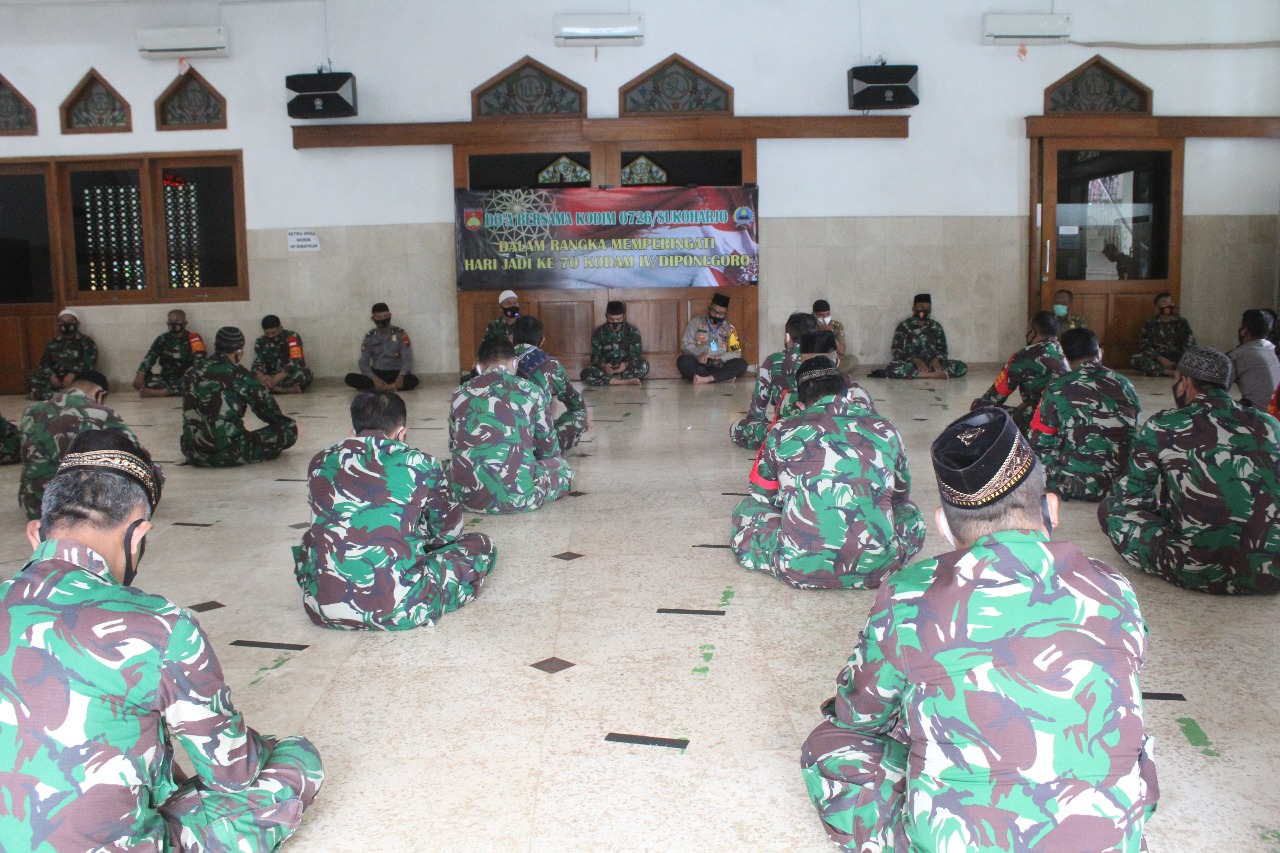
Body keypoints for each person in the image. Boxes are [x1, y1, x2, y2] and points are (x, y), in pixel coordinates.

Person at [802, 408, 1158, 851]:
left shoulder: (910, 593)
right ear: (1051, 509)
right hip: (1106, 840)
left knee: (829, 745)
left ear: (943, 526)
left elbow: (859, 715)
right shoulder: (1114, 586)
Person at [0, 429, 323, 851]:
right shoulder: (160, 625)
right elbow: (232, 773)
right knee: (298, 758)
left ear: (36, 534)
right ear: (137, 535)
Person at [294, 391, 497, 630]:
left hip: (322, 610)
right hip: (402, 609)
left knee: (310, 540)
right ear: (402, 433)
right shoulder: (420, 463)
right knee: (481, 545)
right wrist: (418, 539)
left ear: (352, 433)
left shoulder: (320, 461)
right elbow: (448, 532)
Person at [1100, 346, 1280, 595]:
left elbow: (1131, 497)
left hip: (1194, 569)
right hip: (1270, 573)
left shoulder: (1164, 425)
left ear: (1185, 382)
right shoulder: (1270, 425)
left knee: (1110, 510)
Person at [731, 359, 923, 589]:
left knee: (746, 509)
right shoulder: (887, 428)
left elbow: (762, 494)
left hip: (797, 568)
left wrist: (799, 500)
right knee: (911, 513)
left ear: (800, 405)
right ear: (849, 396)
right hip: (880, 567)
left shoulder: (783, 430)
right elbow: (900, 495)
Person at [450, 337, 573, 513]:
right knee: (562, 469)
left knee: (447, 466)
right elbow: (549, 450)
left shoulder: (459, 393)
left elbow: (453, 444)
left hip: (465, 498)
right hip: (519, 498)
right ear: (515, 363)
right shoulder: (532, 391)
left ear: (478, 367)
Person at [1030, 327, 1140, 502]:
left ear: (1065, 358)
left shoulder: (1057, 387)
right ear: (1100, 352)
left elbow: (1039, 440)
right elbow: (1133, 428)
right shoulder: (1125, 383)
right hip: (1123, 484)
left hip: (1075, 483)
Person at [18, 370, 144, 520]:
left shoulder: (31, 411)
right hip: (78, 510)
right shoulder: (102, 413)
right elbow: (139, 457)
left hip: (35, 506)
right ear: (100, 394)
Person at [181, 326, 299, 467]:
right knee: (289, 428)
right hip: (230, 454)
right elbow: (270, 412)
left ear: (216, 346)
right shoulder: (240, 374)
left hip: (192, 453)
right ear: (238, 352)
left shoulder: (191, 372)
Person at [971, 310, 1069, 434]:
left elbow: (995, 396)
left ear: (1033, 332)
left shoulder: (1025, 355)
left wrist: (1025, 407)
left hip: (1041, 421)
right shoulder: (1068, 352)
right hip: (1068, 420)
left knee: (979, 406)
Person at [731, 312, 815, 449]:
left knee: (736, 428)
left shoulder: (773, 360)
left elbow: (757, 412)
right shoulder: (827, 360)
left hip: (786, 432)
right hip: (821, 430)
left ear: (787, 337)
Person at [512, 315, 590, 452]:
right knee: (580, 414)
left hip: (499, 442)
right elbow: (575, 402)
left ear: (512, 338)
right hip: (536, 445)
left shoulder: (498, 360)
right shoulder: (550, 364)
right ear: (542, 340)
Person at [877, 294, 967, 379]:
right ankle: (932, 375)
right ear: (914, 309)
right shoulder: (904, 326)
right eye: (921, 307)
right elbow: (897, 351)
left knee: (961, 367)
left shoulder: (936, 326)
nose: (925, 310)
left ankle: (925, 373)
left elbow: (943, 350)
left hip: (932, 365)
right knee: (892, 367)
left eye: (928, 308)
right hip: (911, 365)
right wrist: (915, 360)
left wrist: (936, 359)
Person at [25, 309, 98, 400]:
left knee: (92, 382)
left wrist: (73, 373)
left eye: (70, 321)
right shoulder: (53, 343)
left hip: (78, 377)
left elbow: (90, 363)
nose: (66, 324)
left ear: (77, 323)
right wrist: (52, 376)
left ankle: (49, 395)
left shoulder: (86, 342)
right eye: (62, 322)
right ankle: (63, 394)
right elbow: (44, 364)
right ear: (58, 324)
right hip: (58, 379)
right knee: (31, 377)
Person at [345, 301, 419, 391]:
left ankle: (379, 388)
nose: (383, 319)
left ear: (390, 315)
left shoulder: (400, 333)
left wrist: (401, 375)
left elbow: (407, 358)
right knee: (350, 378)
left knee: (413, 380)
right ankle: (391, 387)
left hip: (396, 373)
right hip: (377, 373)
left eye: (385, 316)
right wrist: (374, 377)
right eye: (379, 317)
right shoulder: (369, 337)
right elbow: (363, 362)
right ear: (373, 318)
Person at [677, 292, 748, 384]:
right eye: (714, 311)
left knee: (741, 364)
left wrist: (720, 358)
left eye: (720, 313)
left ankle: (705, 379)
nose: (716, 315)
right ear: (709, 309)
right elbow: (685, 344)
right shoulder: (696, 322)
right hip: (700, 363)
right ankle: (720, 378)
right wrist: (700, 354)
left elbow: (736, 352)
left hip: (719, 364)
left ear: (725, 313)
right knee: (682, 361)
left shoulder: (729, 328)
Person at [133, 309, 206, 397]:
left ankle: (163, 392)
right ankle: (174, 390)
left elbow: (200, 363)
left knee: (199, 380)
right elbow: (150, 357)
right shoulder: (162, 339)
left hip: (186, 376)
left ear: (185, 323)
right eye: (170, 321)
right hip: (167, 378)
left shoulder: (194, 338)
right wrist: (140, 374)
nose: (173, 324)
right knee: (145, 379)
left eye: (177, 321)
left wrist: (189, 375)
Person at [581, 300, 649, 386]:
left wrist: (625, 365)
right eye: (611, 319)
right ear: (606, 316)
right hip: (606, 370)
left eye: (618, 319)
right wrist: (604, 366)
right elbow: (595, 358)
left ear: (623, 317)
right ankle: (622, 382)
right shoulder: (598, 333)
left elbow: (636, 355)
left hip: (626, 369)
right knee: (585, 373)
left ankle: (611, 380)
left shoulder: (632, 332)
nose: (615, 322)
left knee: (644, 366)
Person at [1131, 292, 1195, 376]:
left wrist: (1182, 358)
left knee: (1195, 359)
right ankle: (1169, 372)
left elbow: (1190, 343)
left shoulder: (1181, 321)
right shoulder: (1150, 323)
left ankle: (1156, 371)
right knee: (1135, 359)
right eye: (1165, 302)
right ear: (1157, 308)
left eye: (1171, 302)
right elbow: (1145, 346)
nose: (1169, 305)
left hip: (1178, 358)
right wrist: (1161, 359)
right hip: (1158, 358)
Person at [1229, 308, 1280, 408]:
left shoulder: (1237, 356)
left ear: (1244, 331)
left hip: (1261, 414)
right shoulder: (1273, 349)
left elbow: (1219, 391)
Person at [252, 314, 314, 394]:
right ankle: (282, 389)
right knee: (249, 379)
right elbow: (256, 365)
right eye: (267, 333)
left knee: (304, 373)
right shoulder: (260, 341)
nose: (270, 336)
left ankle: (273, 389)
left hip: (287, 375)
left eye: (273, 333)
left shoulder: (292, 337)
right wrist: (263, 378)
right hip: (270, 377)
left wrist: (279, 376)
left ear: (280, 328)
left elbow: (297, 361)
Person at [812, 299, 858, 373]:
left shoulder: (836, 326)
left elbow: (841, 352)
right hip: (813, 363)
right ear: (814, 315)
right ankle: (831, 374)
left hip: (831, 362)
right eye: (821, 315)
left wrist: (830, 333)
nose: (825, 317)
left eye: (827, 314)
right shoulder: (807, 325)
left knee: (852, 360)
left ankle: (826, 374)